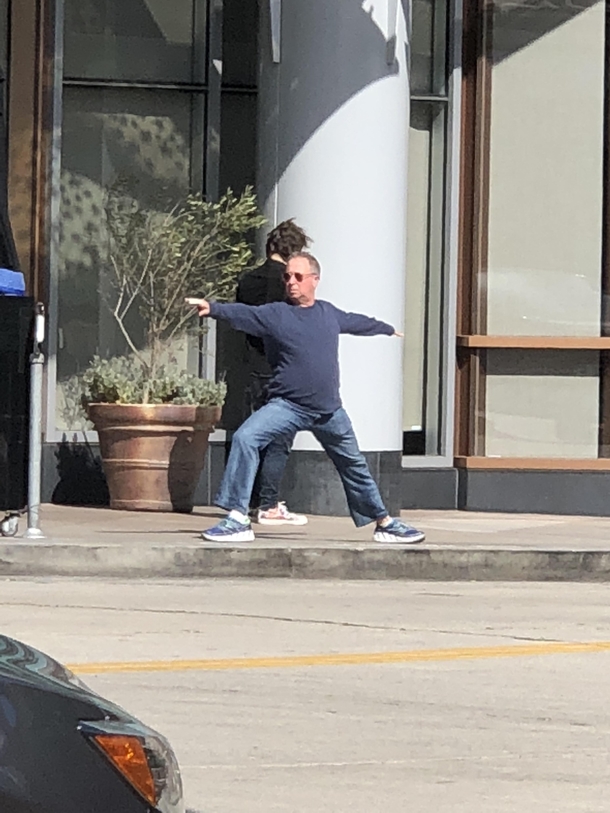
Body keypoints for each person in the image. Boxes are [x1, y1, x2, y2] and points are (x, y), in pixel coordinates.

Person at [185, 252, 425, 545]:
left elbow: (355, 322)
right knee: (246, 437)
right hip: (287, 406)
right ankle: (237, 518)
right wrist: (212, 308)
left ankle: (385, 523)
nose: (291, 282)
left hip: (329, 412)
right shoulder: (276, 314)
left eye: (298, 277)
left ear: (315, 280)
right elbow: (244, 313)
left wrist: (386, 329)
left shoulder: (328, 313)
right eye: (287, 276)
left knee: (354, 464)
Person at [233, 219, 311, 527]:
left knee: (254, 437)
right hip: (282, 369)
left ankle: (249, 501)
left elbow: (241, 320)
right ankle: (268, 504)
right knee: (280, 439)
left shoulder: (248, 281)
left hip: (254, 366)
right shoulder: (290, 286)